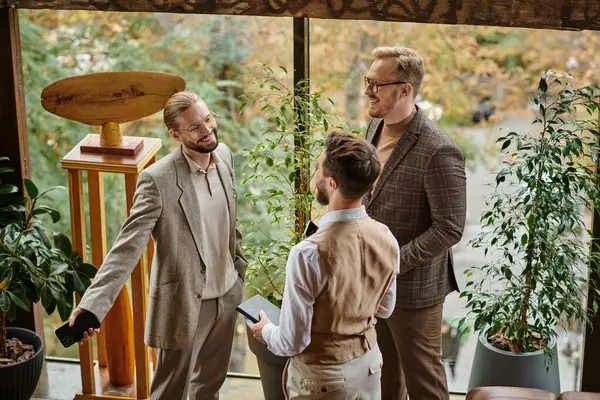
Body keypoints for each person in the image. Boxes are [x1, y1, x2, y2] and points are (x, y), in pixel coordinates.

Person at [69, 91, 247, 400]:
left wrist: (239, 272)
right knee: (170, 393)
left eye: (208, 120)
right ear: (175, 135)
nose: (207, 131)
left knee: (210, 389)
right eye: (195, 127)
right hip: (185, 306)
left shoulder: (226, 156)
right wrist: (92, 305)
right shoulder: (157, 180)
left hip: (228, 296)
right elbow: (126, 248)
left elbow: (230, 223)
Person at [251, 131, 400, 399]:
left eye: (319, 169)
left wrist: (267, 331)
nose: (316, 176)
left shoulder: (309, 253)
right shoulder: (387, 238)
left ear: (331, 184)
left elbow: (292, 341)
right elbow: (386, 309)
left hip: (324, 378)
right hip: (369, 366)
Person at [362, 46, 467, 400]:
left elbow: (449, 228)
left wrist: (392, 262)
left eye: (377, 84)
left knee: (424, 383)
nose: (368, 91)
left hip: (415, 291)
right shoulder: (374, 124)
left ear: (405, 89)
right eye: (367, 81)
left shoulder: (440, 150)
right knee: (384, 374)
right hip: (371, 283)